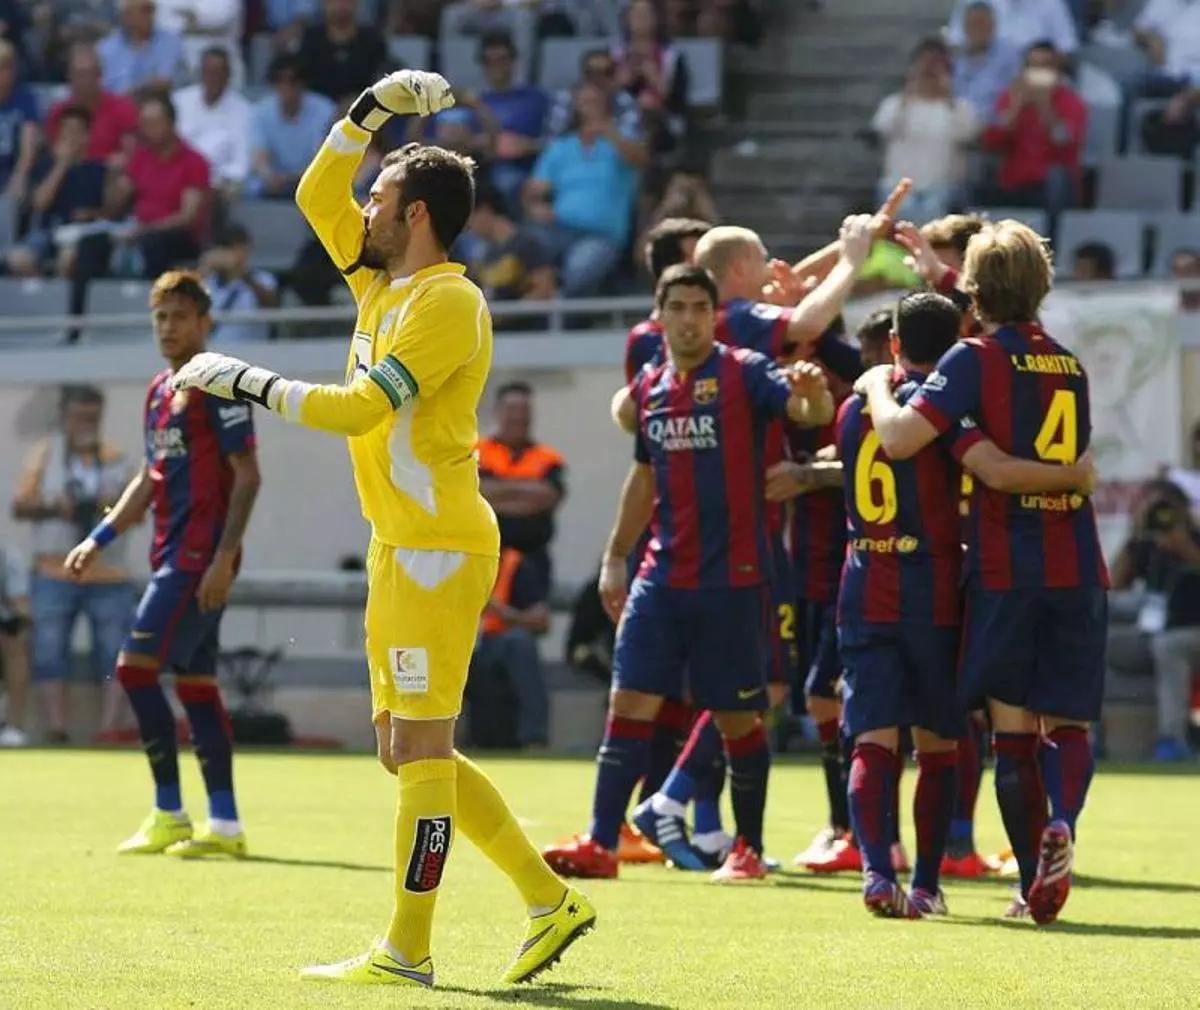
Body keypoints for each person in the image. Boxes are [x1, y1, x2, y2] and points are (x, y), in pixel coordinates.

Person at [170, 69, 594, 986]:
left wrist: (245, 379)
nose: (362, 207)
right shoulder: (380, 283)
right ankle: (551, 901)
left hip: (440, 548)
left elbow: (362, 409)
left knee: (424, 751)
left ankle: (409, 950)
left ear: (417, 217)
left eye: (382, 196)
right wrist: (370, 110)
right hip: (400, 545)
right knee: (404, 750)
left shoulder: (448, 302)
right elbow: (313, 191)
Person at [540, 263, 836, 883]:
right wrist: (616, 556)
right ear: (661, 315)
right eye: (677, 307)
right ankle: (602, 841)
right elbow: (644, 478)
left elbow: (809, 412)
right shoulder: (650, 386)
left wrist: (811, 393)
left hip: (733, 579)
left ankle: (747, 848)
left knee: (736, 718)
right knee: (628, 702)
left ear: (713, 315)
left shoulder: (745, 372)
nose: (689, 318)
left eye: (700, 307)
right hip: (661, 576)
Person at [855, 220, 1109, 924]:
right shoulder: (1069, 365)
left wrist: (878, 386)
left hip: (1006, 564)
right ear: (1043, 284)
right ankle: (1065, 823)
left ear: (973, 287)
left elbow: (903, 438)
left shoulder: (971, 360)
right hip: (1078, 561)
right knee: (1069, 715)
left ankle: (1033, 881)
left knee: (1012, 732)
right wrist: (1071, 477)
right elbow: (1070, 467)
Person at [63, 272, 259, 857]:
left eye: (179, 316)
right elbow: (149, 480)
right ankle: (224, 825)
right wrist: (98, 537)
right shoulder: (158, 390)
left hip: (202, 555)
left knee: (134, 668)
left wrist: (225, 559)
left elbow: (248, 477)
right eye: (160, 318)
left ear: (205, 321)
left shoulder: (220, 383)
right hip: (171, 552)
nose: (168, 328)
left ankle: (169, 811)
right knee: (196, 684)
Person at [11, 386, 136, 744]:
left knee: (116, 652)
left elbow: (137, 509)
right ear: (65, 415)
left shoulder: (117, 458)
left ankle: (110, 728)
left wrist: (106, 508)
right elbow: (20, 506)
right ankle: (57, 728)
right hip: (54, 569)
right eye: (81, 417)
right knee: (49, 649)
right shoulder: (44, 455)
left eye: (93, 418)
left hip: (108, 572)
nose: (87, 425)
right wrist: (56, 507)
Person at [524, 82, 647, 297]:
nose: (590, 108)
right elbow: (533, 191)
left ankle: (556, 314)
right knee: (524, 247)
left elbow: (642, 160)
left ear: (607, 107)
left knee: (578, 271)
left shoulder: (621, 145)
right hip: (557, 228)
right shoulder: (561, 147)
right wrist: (535, 207)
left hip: (601, 235)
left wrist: (612, 133)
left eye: (595, 102)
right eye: (584, 102)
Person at [1111, 482, 1200, 762]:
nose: (1163, 517)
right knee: (1096, 637)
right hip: (1153, 631)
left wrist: (1185, 548)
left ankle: (1171, 741)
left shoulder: (1195, 537)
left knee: (1168, 646)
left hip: (1191, 631)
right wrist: (1136, 535)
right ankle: (1084, 736)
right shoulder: (1145, 544)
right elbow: (1113, 585)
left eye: (1167, 507)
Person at [872, 38, 978, 225]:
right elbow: (884, 128)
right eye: (924, 68)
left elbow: (967, 134)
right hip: (898, 189)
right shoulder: (894, 104)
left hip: (942, 190)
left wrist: (948, 97)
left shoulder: (961, 108)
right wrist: (909, 95)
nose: (929, 75)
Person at [980, 40, 1087, 225]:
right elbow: (991, 142)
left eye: (1044, 66)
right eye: (1032, 66)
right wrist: (1015, 108)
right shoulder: (1011, 97)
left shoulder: (1072, 102)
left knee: (1056, 182)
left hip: (1050, 181)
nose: (1038, 73)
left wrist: (1045, 107)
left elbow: (1065, 141)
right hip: (1013, 180)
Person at [477, 382, 566, 602]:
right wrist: (525, 489)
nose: (518, 417)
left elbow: (548, 497)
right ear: (497, 412)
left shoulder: (548, 458)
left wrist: (499, 491)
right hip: (483, 556)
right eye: (512, 410)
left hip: (532, 559)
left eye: (524, 411)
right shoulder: (477, 451)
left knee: (529, 625)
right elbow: (474, 494)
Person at [5, 104, 106, 279]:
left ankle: (59, 301)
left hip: (80, 235)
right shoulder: (46, 165)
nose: (69, 137)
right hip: (47, 233)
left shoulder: (98, 170)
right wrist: (62, 165)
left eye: (75, 131)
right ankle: (45, 293)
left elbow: (108, 211)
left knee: (68, 258)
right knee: (17, 259)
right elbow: (40, 204)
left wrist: (91, 214)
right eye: (65, 131)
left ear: (86, 136)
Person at [469, 546, 551, 749]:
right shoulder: (448, 563)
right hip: (455, 642)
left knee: (519, 642)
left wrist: (503, 613)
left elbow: (541, 620)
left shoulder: (513, 564)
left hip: (494, 642)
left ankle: (534, 737)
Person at [473, 31, 549, 213]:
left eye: (501, 59)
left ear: (513, 61)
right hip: (481, 166)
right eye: (488, 61)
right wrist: (483, 142)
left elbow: (555, 141)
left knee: (506, 182)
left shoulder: (537, 99)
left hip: (524, 168)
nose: (495, 66)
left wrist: (527, 146)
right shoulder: (474, 102)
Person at [248, 55, 335, 199]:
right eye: (279, 80)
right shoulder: (261, 112)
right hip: (274, 182)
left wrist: (294, 178)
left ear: (303, 83)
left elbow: (323, 158)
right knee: (252, 187)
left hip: (312, 179)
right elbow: (259, 157)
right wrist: (270, 177)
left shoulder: (325, 110)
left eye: (292, 80)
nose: (286, 85)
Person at [172, 46, 251, 197]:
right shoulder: (179, 101)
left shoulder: (243, 110)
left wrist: (219, 179)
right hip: (177, 176)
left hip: (217, 183)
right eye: (208, 72)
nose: (213, 78)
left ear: (228, 75)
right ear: (200, 73)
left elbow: (241, 162)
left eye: (218, 73)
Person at [46, 43, 139, 164]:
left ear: (100, 75)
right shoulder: (58, 111)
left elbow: (132, 155)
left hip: (108, 176)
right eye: (79, 74)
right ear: (69, 76)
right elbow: (54, 153)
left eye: (90, 73)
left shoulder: (123, 109)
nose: (84, 80)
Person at [463, 186, 556, 304]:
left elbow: (544, 290)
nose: (469, 224)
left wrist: (512, 312)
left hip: (525, 321)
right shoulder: (484, 254)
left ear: (485, 211)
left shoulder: (528, 243)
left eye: (470, 216)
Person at [200, 222, 280, 342]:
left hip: (253, 352)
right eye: (228, 247)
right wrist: (204, 268)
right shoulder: (208, 281)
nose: (235, 253)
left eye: (239, 247)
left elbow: (272, 306)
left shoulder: (262, 278)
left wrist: (241, 273)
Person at [297, 0, 387, 104]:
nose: (339, 6)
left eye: (346, 1)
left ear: (356, 4)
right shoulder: (311, 38)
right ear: (324, 4)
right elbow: (301, 79)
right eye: (333, 1)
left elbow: (381, 79)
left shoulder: (372, 40)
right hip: (317, 111)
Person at [546, 48, 642, 143]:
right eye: (592, 72)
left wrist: (603, 120)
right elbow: (552, 140)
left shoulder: (624, 101)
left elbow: (632, 140)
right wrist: (576, 115)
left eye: (607, 72)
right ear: (583, 75)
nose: (599, 78)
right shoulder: (566, 98)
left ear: (613, 76)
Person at [953, 1, 1022, 124]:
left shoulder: (1010, 56)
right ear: (964, 27)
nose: (976, 30)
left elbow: (1017, 97)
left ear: (993, 27)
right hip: (958, 127)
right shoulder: (955, 58)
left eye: (981, 24)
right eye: (972, 25)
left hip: (994, 128)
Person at [97, 0, 184, 96]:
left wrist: (166, 84)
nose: (148, 15)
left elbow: (186, 82)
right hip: (121, 106)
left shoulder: (172, 42)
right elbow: (101, 89)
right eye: (143, 10)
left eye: (150, 9)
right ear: (124, 15)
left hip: (166, 104)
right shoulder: (106, 49)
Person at [945, 0, 1078, 56]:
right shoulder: (971, 1)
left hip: (1033, 78)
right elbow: (955, 43)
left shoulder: (1051, 3)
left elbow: (1066, 48)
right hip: (983, 77)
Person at [0, 543, 31, 747]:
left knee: (15, 644)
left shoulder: (8, 558)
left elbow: (21, 609)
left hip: (5, 628)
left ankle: (12, 726)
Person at [0, 38, 38, 204]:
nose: (3, 74)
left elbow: (27, 150)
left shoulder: (24, 98)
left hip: (10, 172)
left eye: (6, 68)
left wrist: (19, 175)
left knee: (16, 192)